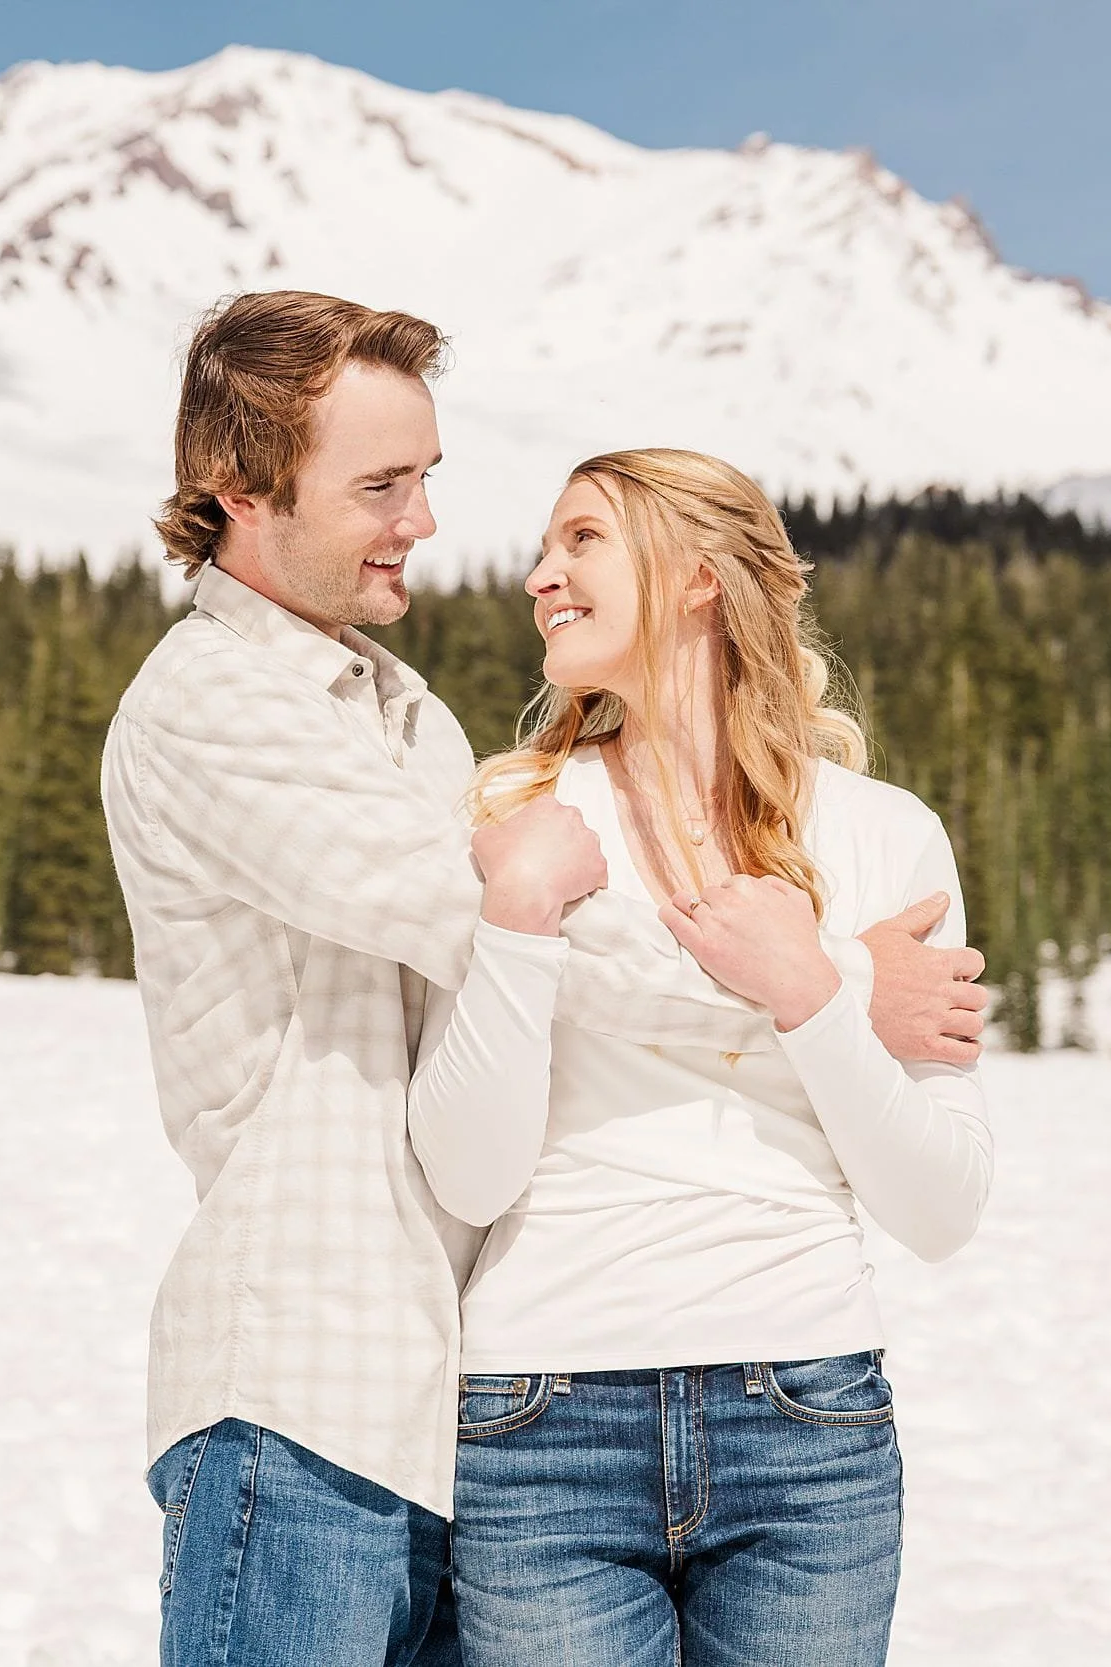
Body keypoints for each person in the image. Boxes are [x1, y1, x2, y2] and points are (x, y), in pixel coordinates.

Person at [99, 292, 991, 1667]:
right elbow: (491, 928)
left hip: (445, 1408)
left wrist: (812, 982)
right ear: (241, 489)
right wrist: (821, 982)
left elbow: (521, 964)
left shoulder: (406, 717)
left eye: (426, 476)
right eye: (382, 484)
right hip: (303, 1393)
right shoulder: (214, 703)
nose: (425, 521)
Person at [406, 449, 993, 1667]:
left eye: (582, 539)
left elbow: (940, 1205)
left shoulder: (883, 834)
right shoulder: (515, 827)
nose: (537, 576)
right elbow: (467, 1174)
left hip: (807, 1420)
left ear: (698, 579)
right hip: (541, 1420)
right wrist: (518, 918)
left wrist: (811, 991)